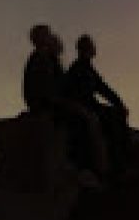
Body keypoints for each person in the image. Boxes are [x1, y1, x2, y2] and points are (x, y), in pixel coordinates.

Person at [22, 24, 107, 185]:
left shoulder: (47, 59)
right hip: (45, 104)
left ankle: (87, 167)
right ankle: (82, 168)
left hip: (49, 102)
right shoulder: (41, 59)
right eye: (48, 35)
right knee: (80, 120)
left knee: (83, 117)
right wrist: (69, 104)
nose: (52, 37)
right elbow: (47, 92)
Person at [63, 34, 130, 181]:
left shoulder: (88, 69)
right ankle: (117, 166)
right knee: (112, 120)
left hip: (91, 105)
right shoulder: (77, 69)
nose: (93, 48)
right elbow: (73, 94)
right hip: (84, 107)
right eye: (90, 46)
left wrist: (119, 103)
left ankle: (123, 161)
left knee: (117, 115)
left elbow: (103, 88)